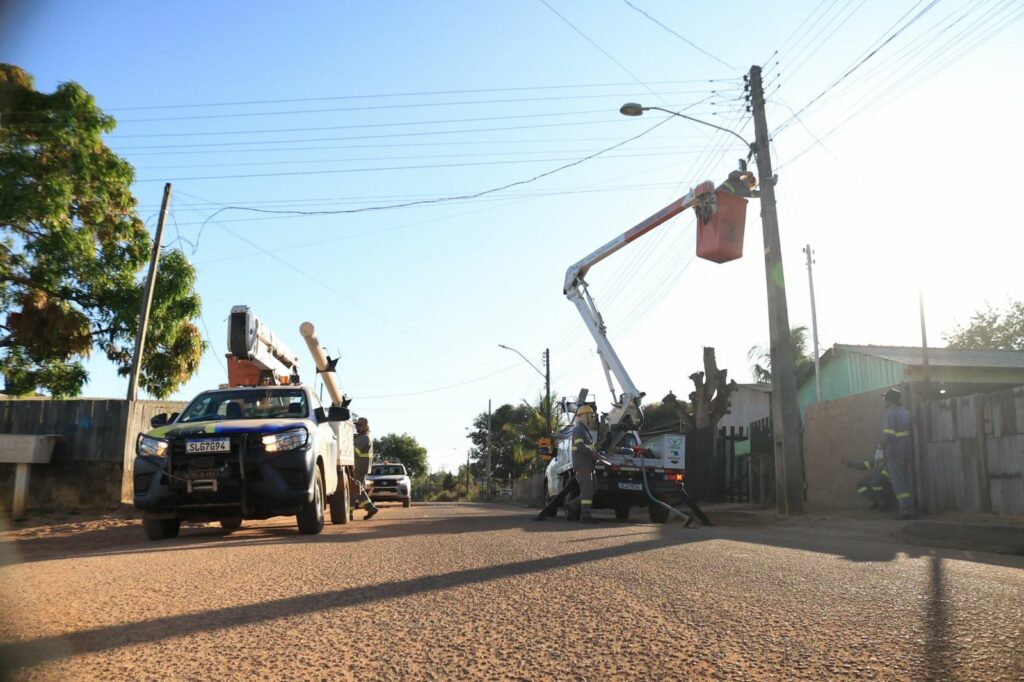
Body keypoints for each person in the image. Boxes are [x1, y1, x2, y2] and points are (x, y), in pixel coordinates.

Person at [880, 388, 916, 520]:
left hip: (894, 450)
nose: (883, 401)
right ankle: (909, 507)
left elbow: (888, 435)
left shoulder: (891, 412)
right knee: (906, 479)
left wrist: (880, 447)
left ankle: (907, 510)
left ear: (890, 400)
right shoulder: (905, 412)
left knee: (898, 481)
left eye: (885, 398)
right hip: (907, 449)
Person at [572, 404, 599, 524]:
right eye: (590, 416)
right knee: (587, 490)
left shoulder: (586, 431)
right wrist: (593, 454)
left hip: (588, 464)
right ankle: (585, 515)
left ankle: (572, 505)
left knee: (592, 488)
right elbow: (580, 446)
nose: (592, 418)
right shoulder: (578, 429)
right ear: (583, 416)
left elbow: (587, 447)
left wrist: (595, 454)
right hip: (582, 464)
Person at [352, 417, 379, 520]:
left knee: (356, 488)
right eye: (356, 425)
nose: (357, 427)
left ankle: (370, 508)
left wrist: (348, 444)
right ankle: (351, 512)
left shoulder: (364, 438)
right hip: (361, 466)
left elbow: (356, 452)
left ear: (365, 426)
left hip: (360, 466)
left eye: (359, 425)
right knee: (356, 489)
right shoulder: (362, 436)